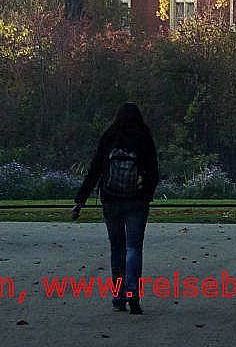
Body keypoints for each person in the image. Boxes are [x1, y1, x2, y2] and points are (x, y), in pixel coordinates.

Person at [71, 102, 159, 314]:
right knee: (134, 248)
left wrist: (80, 199)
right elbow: (154, 171)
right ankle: (133, 293)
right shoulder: (144, 137)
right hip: (137, 201)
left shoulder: (110, 137)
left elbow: (95, 169)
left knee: (117, 248)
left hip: (111, 200)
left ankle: (119, 295)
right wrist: (146, 193)